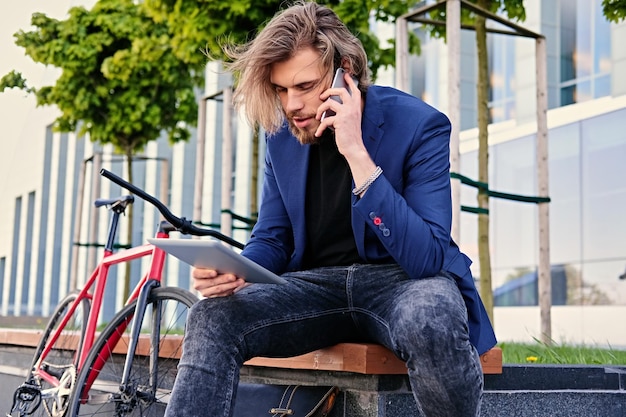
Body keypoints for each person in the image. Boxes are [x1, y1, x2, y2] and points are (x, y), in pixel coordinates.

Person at [165, 1, 496, 416]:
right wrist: (239, 270)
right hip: (312, 289)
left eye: (304, 86)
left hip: (401, 283)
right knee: (211, 316)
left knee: (431, 313)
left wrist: (356, 152)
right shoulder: (280, 137)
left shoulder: (419, 125)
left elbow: (428, 258)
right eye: (281, 90)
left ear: (346, 70)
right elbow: (273, 236)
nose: (291, 105)